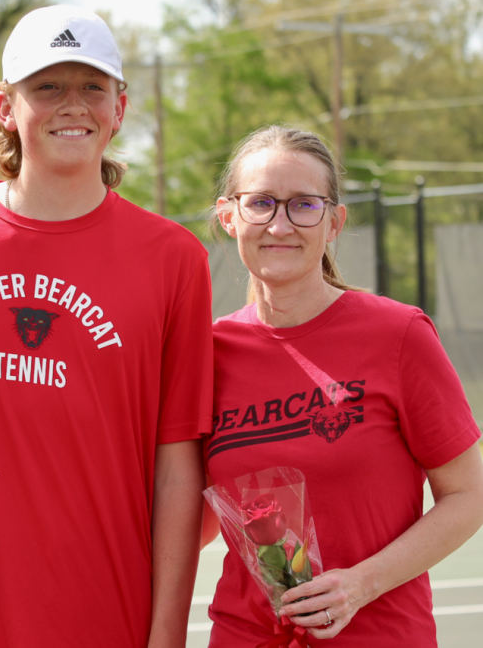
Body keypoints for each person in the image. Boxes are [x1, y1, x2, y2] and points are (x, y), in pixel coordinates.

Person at [0, 4, 213, 647]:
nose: (73, 105)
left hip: (107, 618)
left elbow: (178, 467)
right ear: (5, 106)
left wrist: (167, 634)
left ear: (120, 108)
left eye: (93, 87)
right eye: (47, 87)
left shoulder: (174, 259)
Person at [205, 124, 483, 646]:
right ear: (228, 217)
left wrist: (360, 584)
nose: (280, 224)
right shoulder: (207, 353)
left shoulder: (398, 335)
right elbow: (196, 511)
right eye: (260, 203)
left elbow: (469, 495)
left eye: (304, 205)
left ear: (334, 223)